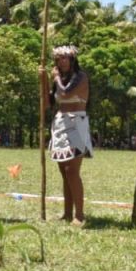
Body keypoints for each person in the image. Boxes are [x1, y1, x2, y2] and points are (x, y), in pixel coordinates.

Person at [40, 46, 91, 226]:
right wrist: (44, 81)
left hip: (76, 123)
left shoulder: (81, 77)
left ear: (72, 60)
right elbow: (47, 104)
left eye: (65, 58)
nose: (61, 62)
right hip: (60, 123)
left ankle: (80, 214)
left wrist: (54, 78)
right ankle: (68, 212)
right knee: (64, 171)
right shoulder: (59, 80)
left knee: (72, 170)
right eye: (59, 59)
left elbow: (66, 93)